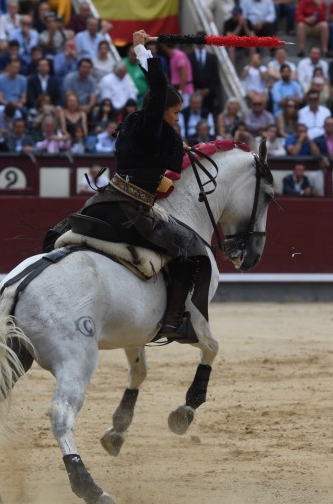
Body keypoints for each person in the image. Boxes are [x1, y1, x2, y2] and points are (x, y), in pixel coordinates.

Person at [44, 30, 215, 344]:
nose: (178, 120)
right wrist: (141, 48)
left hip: (102, 201)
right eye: (175, 113)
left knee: (54, 235)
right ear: (161, 109)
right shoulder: (152, 125)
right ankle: (173, 321)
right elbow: (159, 86)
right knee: (190, 250)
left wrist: (173, 146)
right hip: (128, 212)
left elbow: (150, 161)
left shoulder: (133, 124)